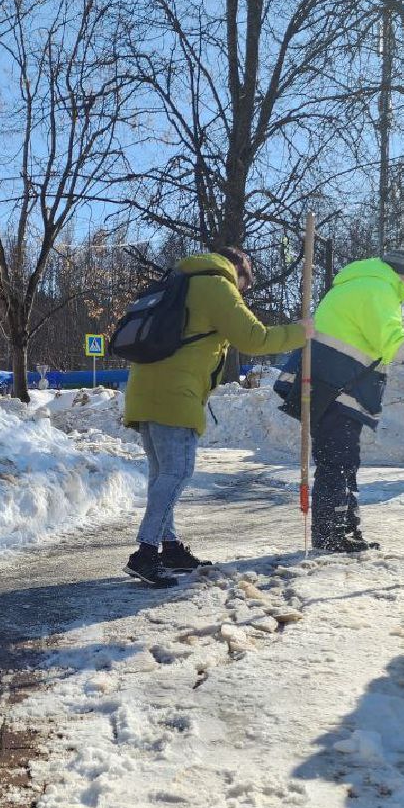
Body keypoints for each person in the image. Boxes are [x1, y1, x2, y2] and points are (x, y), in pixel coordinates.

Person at [122, 245, 310, 587]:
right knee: (178, 472)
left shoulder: (180, 281)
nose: (243, 292)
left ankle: (170, 546)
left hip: (145, 389)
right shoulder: (216, 285)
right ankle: (145, 553)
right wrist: (302, 332)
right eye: (245, 285)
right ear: (240, 269)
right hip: (175, 394)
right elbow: (255, 338)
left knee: (162, 474)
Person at [274, 249, 404, 552]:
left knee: (342, 461)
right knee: (337, 463)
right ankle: (331, 535)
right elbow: (391, 344)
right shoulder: (378, 289)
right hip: (338, 390)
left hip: (331, 388)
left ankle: (344, 529)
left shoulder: (357, 284)